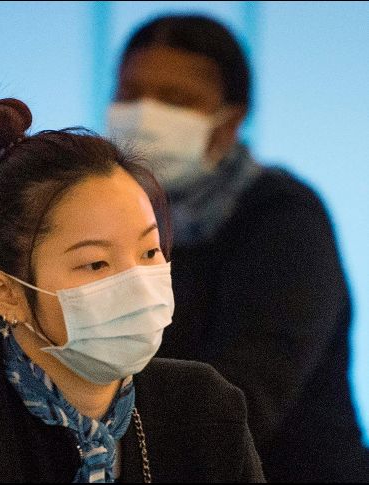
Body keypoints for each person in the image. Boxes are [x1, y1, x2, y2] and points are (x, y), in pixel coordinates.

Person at [0, 98, 265, 482]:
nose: (136, 282)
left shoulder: (205, 405)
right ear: (8, 294)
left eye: (149, 252)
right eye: (96, 263)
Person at [106, 14, 369, 482]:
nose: (145, 114)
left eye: (176, 100)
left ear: (230, 120)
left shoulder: (285, 220)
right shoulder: (106, 220)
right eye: (131, 95)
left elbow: (244, 396)